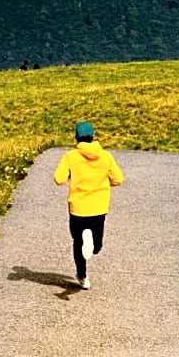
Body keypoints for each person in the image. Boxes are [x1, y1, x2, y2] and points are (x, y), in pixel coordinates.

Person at [53, 121, 124, 290]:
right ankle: (91, 241)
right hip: (99, 207)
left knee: (78, 242)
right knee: (96, 247)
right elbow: (118, 179)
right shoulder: (106, 157)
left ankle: (83, 277)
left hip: (78, 208)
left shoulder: (70, 156)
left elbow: (59, 179)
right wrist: (103, 184)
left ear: (76, 138)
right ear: (93, 137)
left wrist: (71, 174)